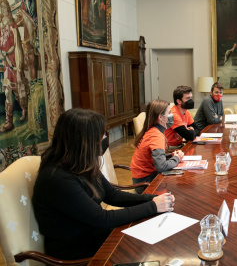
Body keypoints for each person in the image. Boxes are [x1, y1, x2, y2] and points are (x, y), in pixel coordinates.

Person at [32, 108, 175, 260]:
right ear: (83, 140)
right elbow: (102, 219)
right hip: (79, 252)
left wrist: (152, 199)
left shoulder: (80, 163)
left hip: (95, 236)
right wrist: (153, 206)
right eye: (100, 135)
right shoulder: (56, 178)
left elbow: (112, 195)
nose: (104, 138)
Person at [131, 99, 184, 193]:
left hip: (141, 178)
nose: (171, 115)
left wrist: (172, 155)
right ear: (160, 117)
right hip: (145, 183)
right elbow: (161, 166)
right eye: (169, 112)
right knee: (180, 189)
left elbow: (155, 157)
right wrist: (176, 158)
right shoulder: (156, 135)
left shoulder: (152, 130)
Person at [0, 0, 29, 132]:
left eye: (5, 8)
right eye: (1, 9)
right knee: (7, 91)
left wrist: (18, 64)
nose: (3, 11)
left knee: (18, 89)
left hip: (14, 62)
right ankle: (8, 121)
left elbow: (17, 45)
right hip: (6, 63)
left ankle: (24, 109)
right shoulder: (1, 27)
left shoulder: (13, 25)